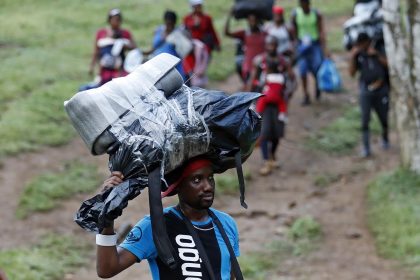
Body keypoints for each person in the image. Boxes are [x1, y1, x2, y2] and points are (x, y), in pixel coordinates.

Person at [96, 157, 241, 279]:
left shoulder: (226, 223)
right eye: (197, 180)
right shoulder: (156, 225)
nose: (208, 186)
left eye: (210, 178)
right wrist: (108, 219)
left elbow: (229, 274)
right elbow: (107, 269)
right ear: (178, 186)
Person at [249, 36, 292, 175]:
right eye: (269, 45)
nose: (271, 48)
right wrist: (250, 99)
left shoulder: (283, 62)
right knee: (265, 132)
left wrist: (287, 94)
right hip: (264, 101)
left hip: (279, 103)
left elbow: (293, 79)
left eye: (274, 45)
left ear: (277, 45)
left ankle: (273, 156)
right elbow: (253, 80)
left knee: (277, 134)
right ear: (266, 46)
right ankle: (266, 160)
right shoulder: (259, 61)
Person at [349, 32, 390, 157]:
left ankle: (385, 138)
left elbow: (388, 65)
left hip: (381, 89)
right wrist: (352, 57)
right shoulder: (358, 55)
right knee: (365, 120)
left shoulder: (379, 48)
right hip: (365, 90)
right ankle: (366, 148)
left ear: (368, 42)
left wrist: (376, 55)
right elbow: (352, 73)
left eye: (363, 44)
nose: (361, 46)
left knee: (383, 117)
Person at [87, 9, 136, 88]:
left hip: (119, 69)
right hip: (105, 69)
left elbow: (134, 49)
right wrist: (92, 66)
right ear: (109, 20)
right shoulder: (101, 33)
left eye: (119, 19)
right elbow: (96, 51)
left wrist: (125, 46)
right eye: (115, 19)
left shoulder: (125, 33)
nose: (117, 21)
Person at [291, 0, 327, 105]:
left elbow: (321, 31)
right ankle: (306, 95)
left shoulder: (316, 14)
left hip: (314, 45)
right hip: (302, 46)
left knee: (317, 68)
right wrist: (295, 45)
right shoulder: (295, 14)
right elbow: (294, 30)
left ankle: (317, 87)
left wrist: (324, 48)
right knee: (302, 71)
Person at [225, 10, 267, 86]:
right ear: (248, 21)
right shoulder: (245, 33)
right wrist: (229, 17)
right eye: (250, 20)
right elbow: (227, 33)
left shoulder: (264, 33)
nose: (253, 23)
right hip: (248, 68)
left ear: (258, 20)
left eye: (254, 20)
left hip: (261, 68)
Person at [147, 10, 187, 80]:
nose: (169, 26)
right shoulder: (159, 30)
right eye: (168, 23)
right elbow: (154, 45)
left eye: (171, 24)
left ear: (174, 23)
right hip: (158, 64)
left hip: (174, 66)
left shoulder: (178, 33)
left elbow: (183, 50)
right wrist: (164, 36)